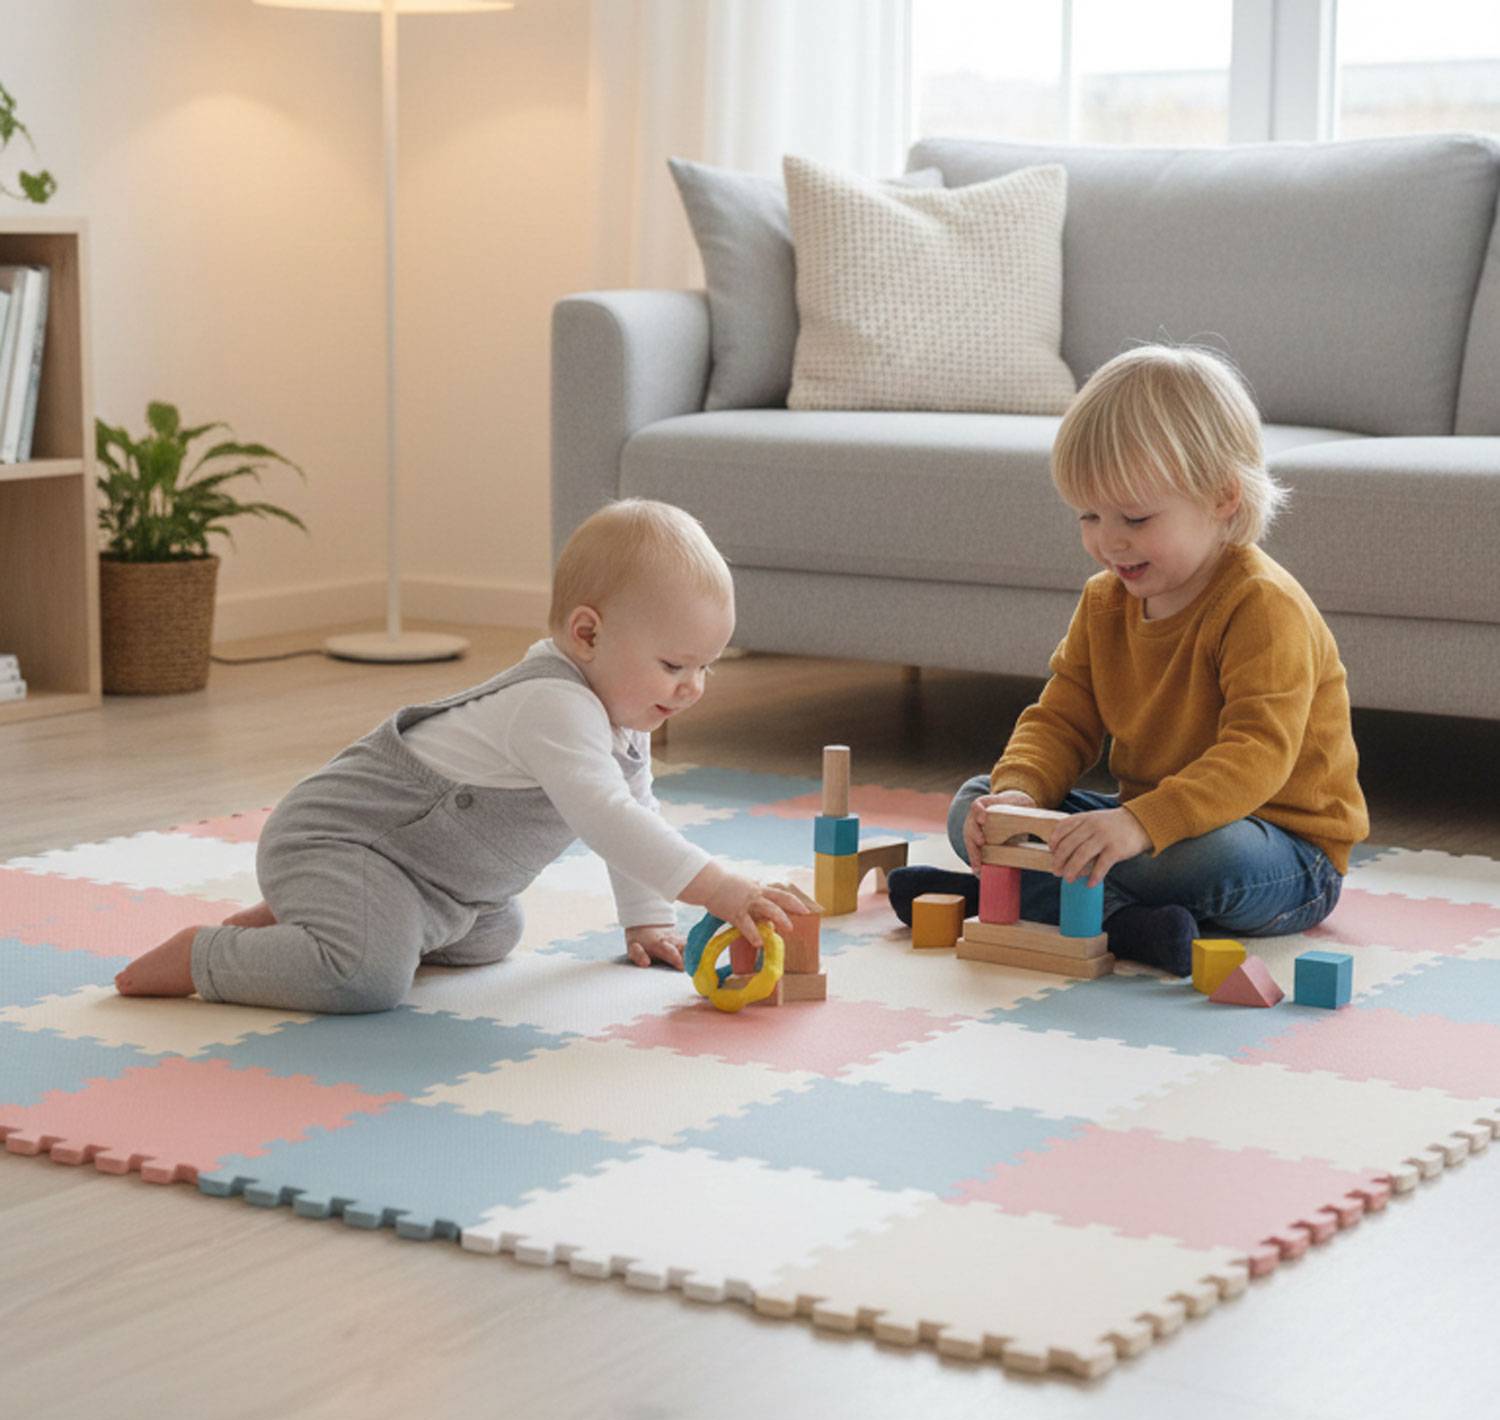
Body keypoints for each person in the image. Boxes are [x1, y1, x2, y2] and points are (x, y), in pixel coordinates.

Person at [114, 499, 803, 1011]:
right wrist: (718, 888)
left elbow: (636, 807)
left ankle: (319, 918)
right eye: (676, 664)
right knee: (367, 981)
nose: (694, 688)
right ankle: (206, 956)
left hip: (431, 882)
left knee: (495, 933)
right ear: (587, 634)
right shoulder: (553, 704)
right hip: (343, 839)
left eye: (707, 667)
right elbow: (607, 817)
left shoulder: (623, 709)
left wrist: (648, 917)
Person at [891, 345, 1369, 976]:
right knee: (973, 806)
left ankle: (1030, 898)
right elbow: (1061, 718)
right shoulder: (1104, 603)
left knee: (1205, 858)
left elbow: (1257, 755)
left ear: (1223, 497)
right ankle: (1110, 919)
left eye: (1136, 518)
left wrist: (1141, 824)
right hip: (1142, 825)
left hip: (1278, 849)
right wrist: (1017, 798)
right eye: (1089, 515)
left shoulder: (1262, 605)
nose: (1108, 540)